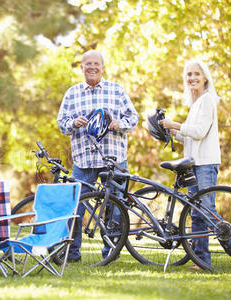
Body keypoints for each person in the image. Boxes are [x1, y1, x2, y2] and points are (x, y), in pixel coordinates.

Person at [159, 59, 231, 269]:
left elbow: (199, 132)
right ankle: (201, 260)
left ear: (205, 77)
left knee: (207, 210)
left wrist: (176, 124)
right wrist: (174, 132)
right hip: (194, 164)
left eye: (196, 74)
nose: (192, 78)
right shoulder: (196, 103)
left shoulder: (208, 100)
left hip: (205, 164)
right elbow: (192, 136)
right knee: (196, 213)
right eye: (189, 75)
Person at [57, 50, 139, 262]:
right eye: (88, 64)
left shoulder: (116, 90)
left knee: (115, 208)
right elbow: (62, 123)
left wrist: (120, 124)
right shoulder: (72, 93)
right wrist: (73, 123)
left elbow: (133, 117)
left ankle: (110, 252)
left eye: (96, 64)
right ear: (81, 67)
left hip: (114, 160)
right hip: (83, 161)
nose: (92, 67)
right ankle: (71, 253)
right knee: (76, 207)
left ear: (102, 67)